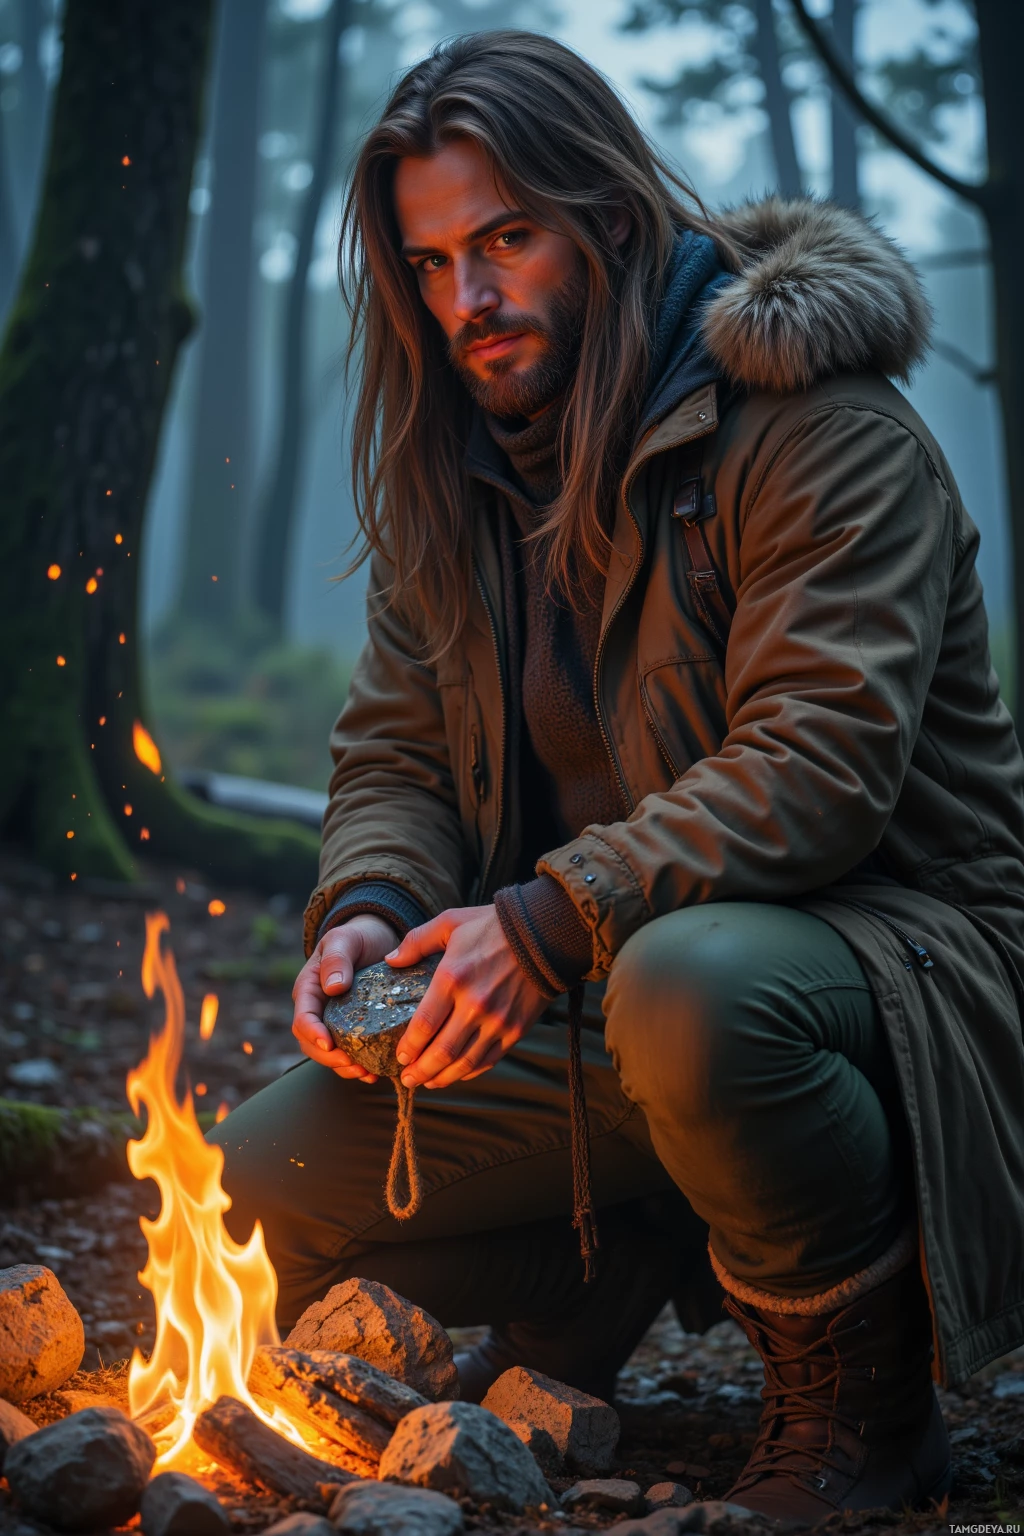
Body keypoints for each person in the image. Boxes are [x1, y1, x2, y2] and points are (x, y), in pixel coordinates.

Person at [213, 31, 1024, 1521]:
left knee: (691, 992)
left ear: (607, 210)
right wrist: (376, 904)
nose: (471, 299)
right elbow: (395, 744)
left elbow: (820, 764)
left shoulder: (815, 425)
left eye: (507, 239)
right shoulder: (458, 463)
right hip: (601, 975)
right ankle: (613, 1266)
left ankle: (865, 1395)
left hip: (886, 967)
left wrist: (543, 919)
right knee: (266, 1181)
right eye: (433, 260)